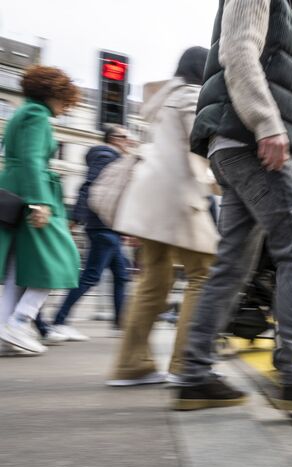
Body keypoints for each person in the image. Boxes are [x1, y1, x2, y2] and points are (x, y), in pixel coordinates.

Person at [177, 0, 292, 413]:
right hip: (251, 146)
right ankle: (290, 377)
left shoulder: (283, 17)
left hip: (239, 142)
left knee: (233, 265)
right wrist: (267, 125)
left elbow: (270, 87)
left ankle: (196, 376)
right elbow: (238, 51)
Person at [106, 47, 220, 386]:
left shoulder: (164, 98)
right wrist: (222, 181)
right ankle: (187, 364)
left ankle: (131, 363)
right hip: (178, 198)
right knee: (204, 275)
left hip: (150, 201)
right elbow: (202, 143)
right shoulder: (190, 98)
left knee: (153, 282)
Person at [0, 66, 81, 356]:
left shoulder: (21, 113)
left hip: (13, 192)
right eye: (65, 101)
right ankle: (19, 323)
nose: (66, 108)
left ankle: (5, 329)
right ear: (54, 95)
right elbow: (34, 160)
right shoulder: (37, 116)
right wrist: (40, 201)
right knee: (58, 261)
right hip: (32, 193)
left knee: (16, 269)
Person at [48, 125, 132, 343]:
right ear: (113, 139)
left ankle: (120, 324)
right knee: (91, 276)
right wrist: (76, 218)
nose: (128, 141)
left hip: (108, 227)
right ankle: (59, 321)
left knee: (121, 274)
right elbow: (89, 187)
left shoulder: (111, 157)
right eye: (124, 137)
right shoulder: (106, 156)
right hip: (102, 226)